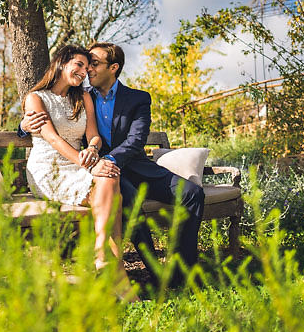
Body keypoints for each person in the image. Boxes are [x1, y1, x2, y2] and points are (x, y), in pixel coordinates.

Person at [21, 42, 205, 286]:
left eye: (94, 64)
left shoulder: (137, 99)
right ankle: (153, 272)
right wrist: (23, 127)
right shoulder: (82, 94)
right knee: (127, 198)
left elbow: (135, 140)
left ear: (114, 67)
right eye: (85, 65)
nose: (88, 71)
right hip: (96, 172)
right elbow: (45, 124)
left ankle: (182, 272)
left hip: (130, 166)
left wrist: (104, 158)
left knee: (192, 194)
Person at [22, 45, 127, 279]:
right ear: (61, 62)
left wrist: (92, 147)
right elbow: (53, 139)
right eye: (79, 65)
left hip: (77, 164)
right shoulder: (36, 98)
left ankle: (106, 263)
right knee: (112, 191)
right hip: (48, 169)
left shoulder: (83, 97)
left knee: (110, 181)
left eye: (87, 67)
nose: (84, 71)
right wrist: (88, 163)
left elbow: (93, 134)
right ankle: (114, 270)